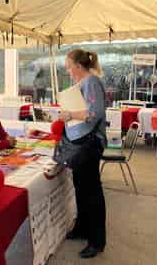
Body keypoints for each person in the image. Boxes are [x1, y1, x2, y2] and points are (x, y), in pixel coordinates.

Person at [58, 49, 107, 258]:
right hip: (79, 143)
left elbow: (95, 113)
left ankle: (97, 241)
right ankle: (82, 228)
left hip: (89, 144)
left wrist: (69, 114)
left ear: (79, 66)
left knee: (92, 192)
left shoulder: (91, 82)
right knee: (81, 189)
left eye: (69, 68)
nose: (68, 72)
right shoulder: (82, 84)